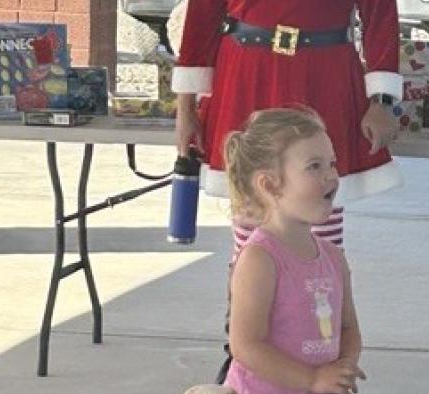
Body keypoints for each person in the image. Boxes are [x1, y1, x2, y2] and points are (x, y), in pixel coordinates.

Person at [171, 0, 404, 252]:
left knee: (320, 191)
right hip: (247, 73)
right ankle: (247, 286)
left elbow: (380, 15)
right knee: (251, 199)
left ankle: (323, 284)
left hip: (325, 75)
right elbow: (201, 17)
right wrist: (185, 108)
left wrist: (383, 100)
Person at [222, 108, 366, 394]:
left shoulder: (332, 256)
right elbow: (245, 345)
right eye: (314, 166)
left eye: (332, 163)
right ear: (270, 185)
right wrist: (313, 378)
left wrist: (344, 367)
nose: (331, 175)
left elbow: (348, 328)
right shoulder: (260, 258)